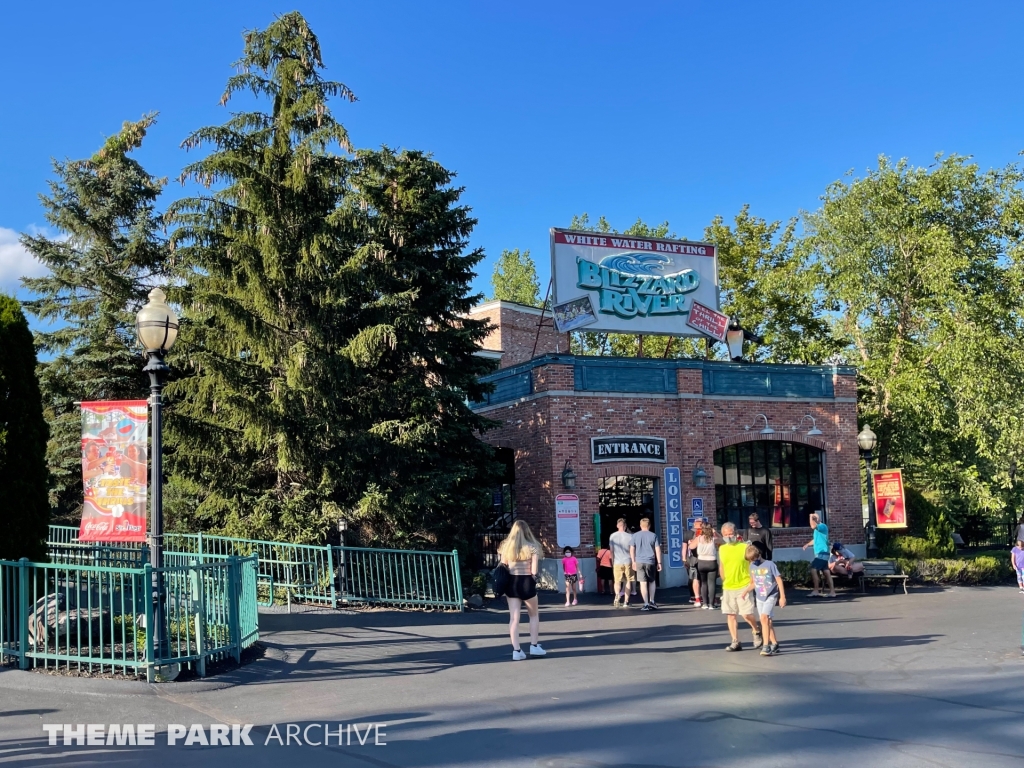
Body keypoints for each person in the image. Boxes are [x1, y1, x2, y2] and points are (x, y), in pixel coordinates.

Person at [498, 520, 547, 660]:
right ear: (527, 531)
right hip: (527, 583)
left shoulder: (506, 548)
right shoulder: (533, 547)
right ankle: (534, 646)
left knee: (514, 618)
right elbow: (534, 571)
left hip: (512, 583)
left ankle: (517, 650)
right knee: (533, 615)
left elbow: (504, 566)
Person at [719, 522, 761, 651]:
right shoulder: (722, 548)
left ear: (736, 533)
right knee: (730, 614)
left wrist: (753, 582)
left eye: (730, 533)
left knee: (746, 614)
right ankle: (735, 641)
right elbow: (722, 565)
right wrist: (723, 578)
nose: (728, 536)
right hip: (728, 587)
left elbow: (754, 563)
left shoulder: (745, 547)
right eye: (726, 534)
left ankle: (756, 630)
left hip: (744, 585)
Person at [742, 544, 786, 656]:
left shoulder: (770, 564)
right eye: (750, 560)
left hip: (771, 595)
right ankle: (774, 643)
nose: (752, 561)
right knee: (766, 621)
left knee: (763, 618)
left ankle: (766, 646)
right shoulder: (752, 566)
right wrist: (746, 591)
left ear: (759, 555)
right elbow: (754, 583)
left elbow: (779, 580)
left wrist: (782, 597)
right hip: (760, 596)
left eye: (754, 559)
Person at [630, 517, 662, 611]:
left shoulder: (635, 536)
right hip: (650, 561)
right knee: (652, 581)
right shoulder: (653, 535)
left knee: (642, 583)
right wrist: (659, 562)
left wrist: (633, 561)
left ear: (640, 526)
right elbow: (658, 550)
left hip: (639, 561)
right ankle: (652, 601)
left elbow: (632, 549)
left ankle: (646, 603)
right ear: (649, 525)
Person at [802, 512, 837, 598]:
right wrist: (807, 544)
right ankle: (832, 592)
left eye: (815, 519)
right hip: (822, 553)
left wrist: (811, 516)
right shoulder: (817, 530)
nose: (813, 520)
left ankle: (816, 590)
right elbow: (815, 540)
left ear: (818, 519)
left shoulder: (822, 526)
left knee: (814, 569)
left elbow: (813, 526)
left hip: (822, 553)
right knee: (826, 572)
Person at [609, 518, 634, 608]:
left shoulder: (612, 536)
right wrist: (633, 561)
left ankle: (617, 595)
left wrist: (612, 561)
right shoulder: (630, 536)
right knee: (628, 581)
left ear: (617, 526)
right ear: (625, 526)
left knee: (617, 581)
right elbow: (632, 550)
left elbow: (611, 551)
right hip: (627, 561)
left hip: (617, 561)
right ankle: (626, 602)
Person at [693, 521, 719, 609]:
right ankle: (711, 604)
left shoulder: (699, 538)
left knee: (703, 583)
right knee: (712, 583)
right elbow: (723, 541)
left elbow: (691, 547)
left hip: (701, 562)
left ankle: (704, 604)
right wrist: (715, 532)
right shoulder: (713, 538)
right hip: (711, 561)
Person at [683, 520, 701, 605]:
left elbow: (684, 548)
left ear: (694, 524)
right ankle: (700, 595)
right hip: (701, 558)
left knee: (692, 578)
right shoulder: (704, 533)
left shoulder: (687, 534)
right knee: (701, 578)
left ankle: (692, 596)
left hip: (690, 558)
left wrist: (684, 559)